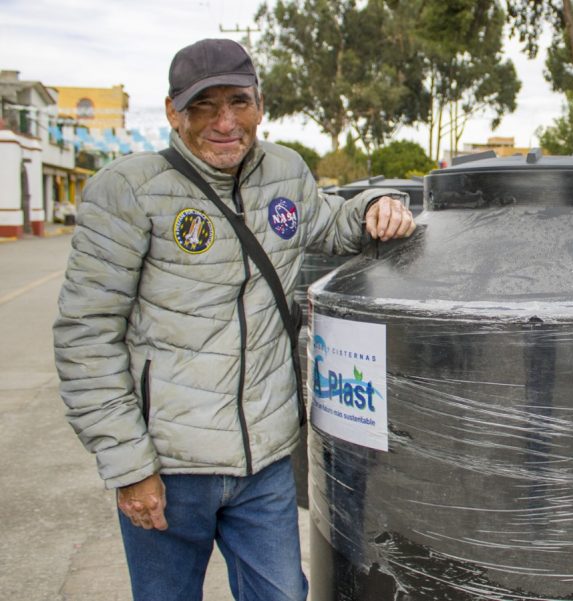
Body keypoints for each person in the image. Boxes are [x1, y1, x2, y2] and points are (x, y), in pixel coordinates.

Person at [52, 39, 415, 601]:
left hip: (265, 467)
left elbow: (333, 224)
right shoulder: (127, 191)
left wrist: (378, 206)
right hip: (168, 468)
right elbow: (86, 337)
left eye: (238, 102)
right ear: (173, 111)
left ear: (260, 104)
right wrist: (128, 465)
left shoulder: (285, 171)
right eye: (204, 105)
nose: (225, 123)